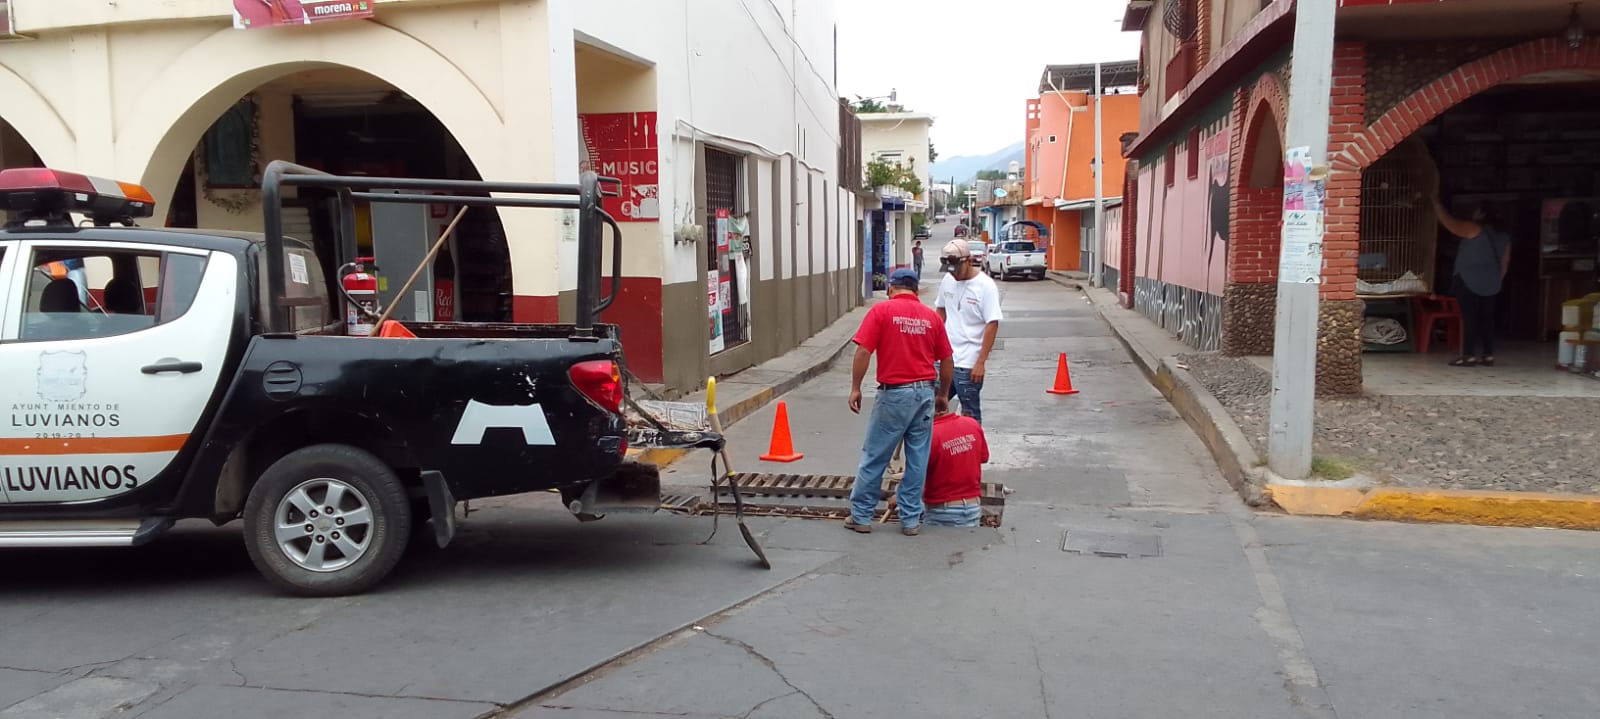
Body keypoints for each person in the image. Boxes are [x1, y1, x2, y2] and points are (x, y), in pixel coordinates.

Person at [846, 268, 954, 536]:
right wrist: (942, 394)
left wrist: (856, 388)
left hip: (894, 394)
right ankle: (910, 520)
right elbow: (947, 359)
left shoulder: (881, 312)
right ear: (916, 291)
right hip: (924, 394)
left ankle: (861, 516)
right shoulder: (931, 317)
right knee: (917, 458)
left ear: (891, 289)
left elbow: (863, 350)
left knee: (875, 456)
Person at [1433, 198, 1511, 367]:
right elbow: (1505, 262)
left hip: (1468, 279)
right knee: (1487, 318)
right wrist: (1497, 282)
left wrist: (1437, 206)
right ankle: (1488, 355)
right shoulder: (1504, 235)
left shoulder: (1474, 228)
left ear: (1482, 213)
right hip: (1492, 281)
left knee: (1470, 317)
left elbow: (1451, 224)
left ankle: (1468, 355)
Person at [934, 239, 1002, 424]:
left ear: (969, 260)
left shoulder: (985, 286)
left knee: (969, 413)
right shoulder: (948, 280)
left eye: (956, 269)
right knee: (931, 407)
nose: (953, 275)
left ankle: (976, 452)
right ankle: (939, 449)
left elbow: (992, 324)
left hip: (969, 363)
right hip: (945, 359)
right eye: (950, 270)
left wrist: (980, 362)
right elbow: (941, 310)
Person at [922, 406, 989, 527]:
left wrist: (900, 497)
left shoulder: (929, 435)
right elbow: (983, 458)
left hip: (942, 510)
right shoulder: (971, 423)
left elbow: (917, 475)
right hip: (973, 506)